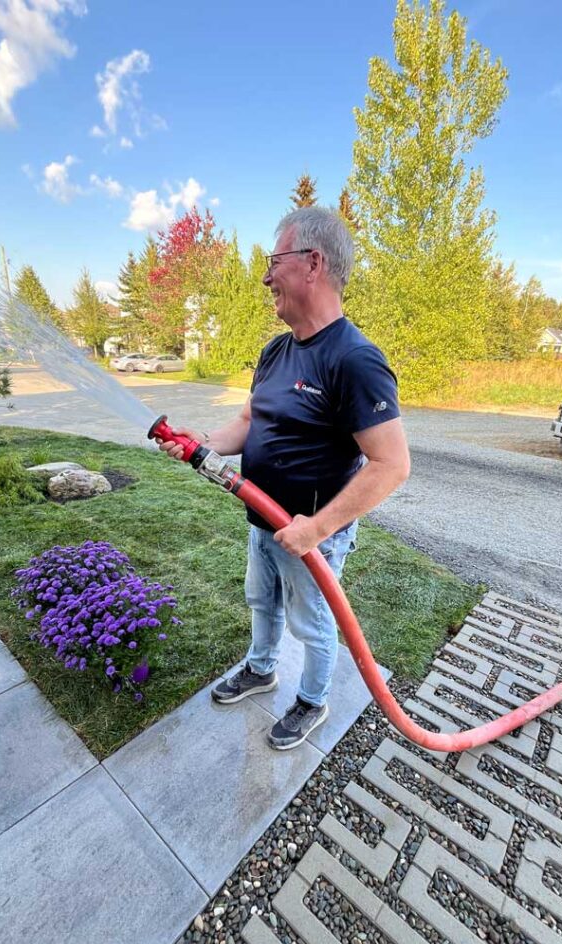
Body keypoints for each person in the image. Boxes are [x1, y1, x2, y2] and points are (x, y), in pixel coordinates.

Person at [157, 206, 410, 750]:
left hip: (308, 536)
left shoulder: (355, 359)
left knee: (313, 625)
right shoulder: (276, 349)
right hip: (262, 521)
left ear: (313, 263)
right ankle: (261, 669)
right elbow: (250, 421)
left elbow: (392, 465)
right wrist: (202, 442)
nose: (267, 276)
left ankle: (313, 702)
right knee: (260, 602)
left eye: (275, 262)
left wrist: (316, 530)